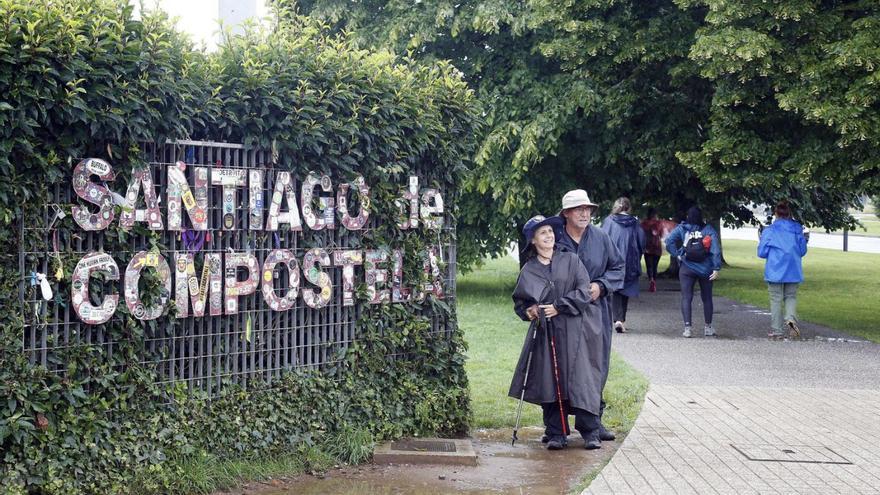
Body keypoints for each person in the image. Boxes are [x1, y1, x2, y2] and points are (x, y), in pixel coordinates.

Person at [509, 215, 606, 450]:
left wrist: (558, 306)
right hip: (546, 335)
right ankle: (556, 432)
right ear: (533, 240)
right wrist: (530, 311)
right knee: (550, 381)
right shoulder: (529, 270)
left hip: (576, 333)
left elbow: (584, 291)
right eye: (543, 233)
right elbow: (521, 303)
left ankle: (590, 431)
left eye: (551, 231)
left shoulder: (571, 260)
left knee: (582, 379)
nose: (549, 235)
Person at [553, 189, 624, 442]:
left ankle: (592, 422)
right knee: (559, 366)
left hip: (595, 311)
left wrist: (601, 285)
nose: (584, 213)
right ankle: (557, 428)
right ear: (566, 213)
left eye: (587, 209)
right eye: (578, 209)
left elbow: (618, 267)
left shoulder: (601, 238)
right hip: (562, 311)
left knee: (594, 366)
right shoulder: (555, 237)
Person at [665, 206, 721, 338]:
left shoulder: (682, 228)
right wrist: (716, 268)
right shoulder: (708, 230)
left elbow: (669, 242)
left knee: (686, 297)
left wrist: (677, 254)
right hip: (705, 269)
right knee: (707, 298)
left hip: (686, 267)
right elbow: (715, 250)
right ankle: (708, 327)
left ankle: (687, 328)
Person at [757, 201, 808, 339]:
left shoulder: (770, 231)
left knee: (776, 299)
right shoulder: (797, 229)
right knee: (790, 297)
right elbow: (802, 251)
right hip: (793, 269)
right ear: (789, 213)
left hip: (775, 270)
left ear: (776, 214)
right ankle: (790, 319)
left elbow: (761, 253)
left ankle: (777, 330)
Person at [601, 197, 645, 333]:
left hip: (613, 258)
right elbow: (641, 241)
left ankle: (617, 319)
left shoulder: (609, 221)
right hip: (630, 260)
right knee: (625, 289)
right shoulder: (634, 223)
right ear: (629, 208)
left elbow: (602, 239)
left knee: (614, 289)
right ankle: (621, 319)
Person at [640, 208, 664, 292]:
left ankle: (651, 280)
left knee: (649, 266)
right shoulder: (659, 224)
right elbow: (661, 234)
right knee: (655, 266)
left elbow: (641, 235)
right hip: (657, 247)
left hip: (648, 248)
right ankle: (654, 283)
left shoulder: (643, 224)